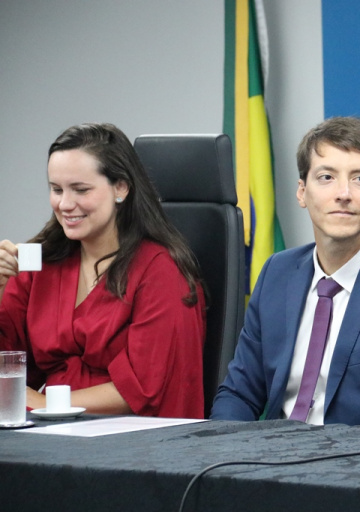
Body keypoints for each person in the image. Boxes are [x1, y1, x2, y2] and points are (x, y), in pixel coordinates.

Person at [211, 116, 360, 427]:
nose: (343, 193)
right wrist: (226, 447)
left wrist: (326, 453)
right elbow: (238, 393)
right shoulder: (276, 272)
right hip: (270, 452)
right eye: (326, 177)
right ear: (302, 192)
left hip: (357, 456)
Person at [0, 123, 206, 418]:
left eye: (80, 190)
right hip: (47, 428)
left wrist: (45, 404)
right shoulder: (42, 263)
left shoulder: (161, 271)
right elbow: (9, 362)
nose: (64, 204)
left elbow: (144, 389)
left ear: (120, 187)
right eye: (56, 189)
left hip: (127, 433)